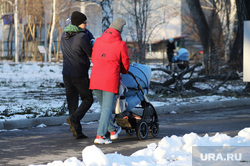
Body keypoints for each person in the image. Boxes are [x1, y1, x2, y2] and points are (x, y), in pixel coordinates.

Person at [89, 17, 130, 144]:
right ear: (120, 30)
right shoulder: (121, 44)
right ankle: (100, 136)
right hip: (109, 80)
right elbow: (125, 65)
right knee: (107, 109)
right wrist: (121, 70)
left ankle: (112, 131)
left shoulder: (98, 41)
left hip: (95, 79)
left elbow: (94, 59)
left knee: (104, 108)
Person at [60, 11, 94, 139]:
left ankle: (77, 132)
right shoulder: (82, 37)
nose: (86, 25)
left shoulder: (64, 34)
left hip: (66, 74)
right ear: (80, 24)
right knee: (88, 99)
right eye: (85, 23)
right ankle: (73, 118)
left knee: (72, 102)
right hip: (79, 74)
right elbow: (91, 54)